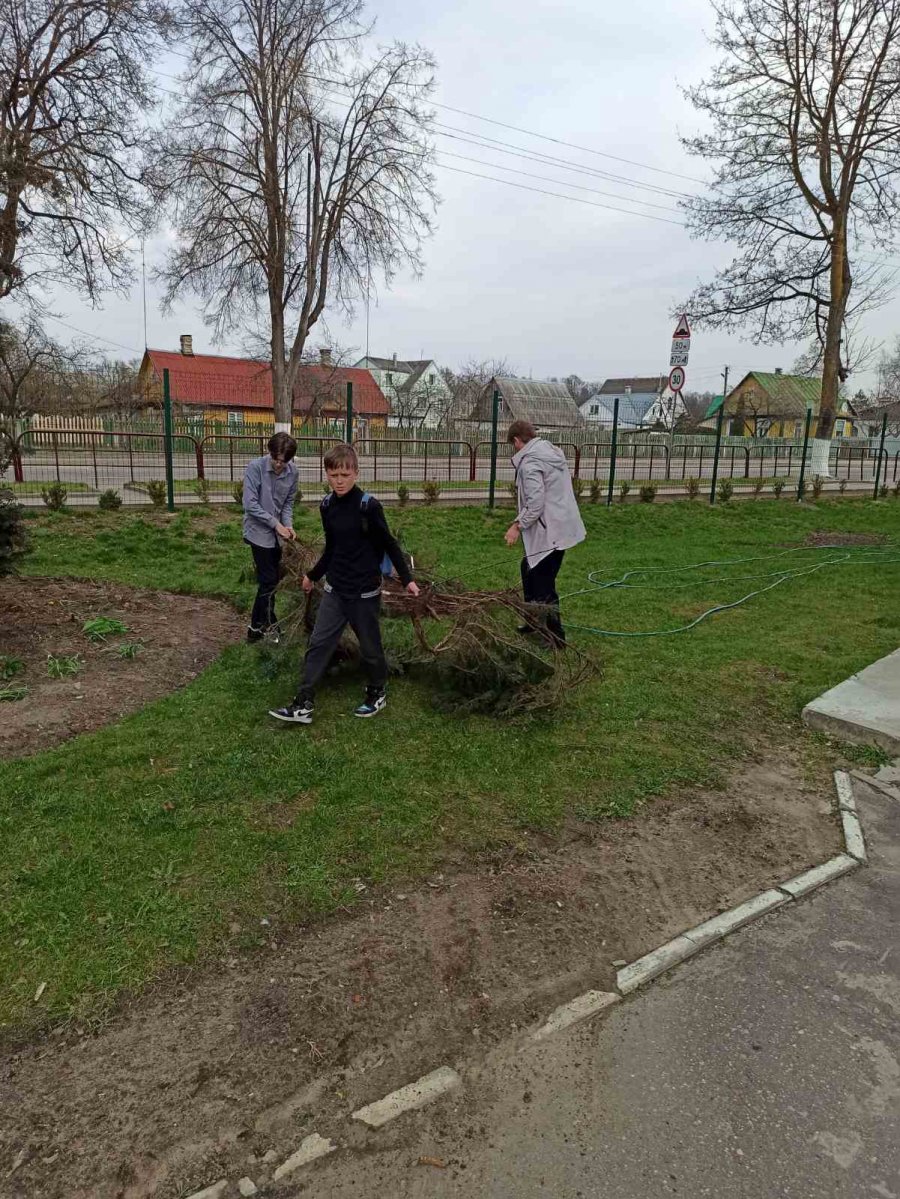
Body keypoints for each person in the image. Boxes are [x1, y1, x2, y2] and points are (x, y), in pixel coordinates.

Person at [269, 442, 419, 724]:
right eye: (333, 475)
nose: (339, 481)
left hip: (364, 592)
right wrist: (312, 576)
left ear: (356, 474)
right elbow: (332, 548)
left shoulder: (368, 507)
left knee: (370, 647)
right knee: (318, 644)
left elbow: (390, 544)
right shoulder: (327, 506)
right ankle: (303, 703)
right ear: (326, 474)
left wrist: (407, 580)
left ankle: (376, 692)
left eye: (345, 475)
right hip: (335, 591)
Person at [504, 419, 586, 645]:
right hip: (560, 526)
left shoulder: (531, 463)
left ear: (517, 441)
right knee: (528, 569)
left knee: (543, 584)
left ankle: (555, 637)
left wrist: (516, 526)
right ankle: (532, 621)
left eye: (513, 445)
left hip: (550, 532)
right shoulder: (549, 452)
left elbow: (535, 504)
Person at [243, 431, 299, 643]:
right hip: (258, 531)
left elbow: (288, 504)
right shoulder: (255, 468)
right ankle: (266, 627)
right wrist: (276, 525)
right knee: (269, 581)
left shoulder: (293, 473)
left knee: (270, 582)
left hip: (278, 534)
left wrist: (288, 525)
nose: (278, 465)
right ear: (270, 453)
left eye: (283, 462)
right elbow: (250, 505)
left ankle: (257, 629)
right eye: (276, 460)